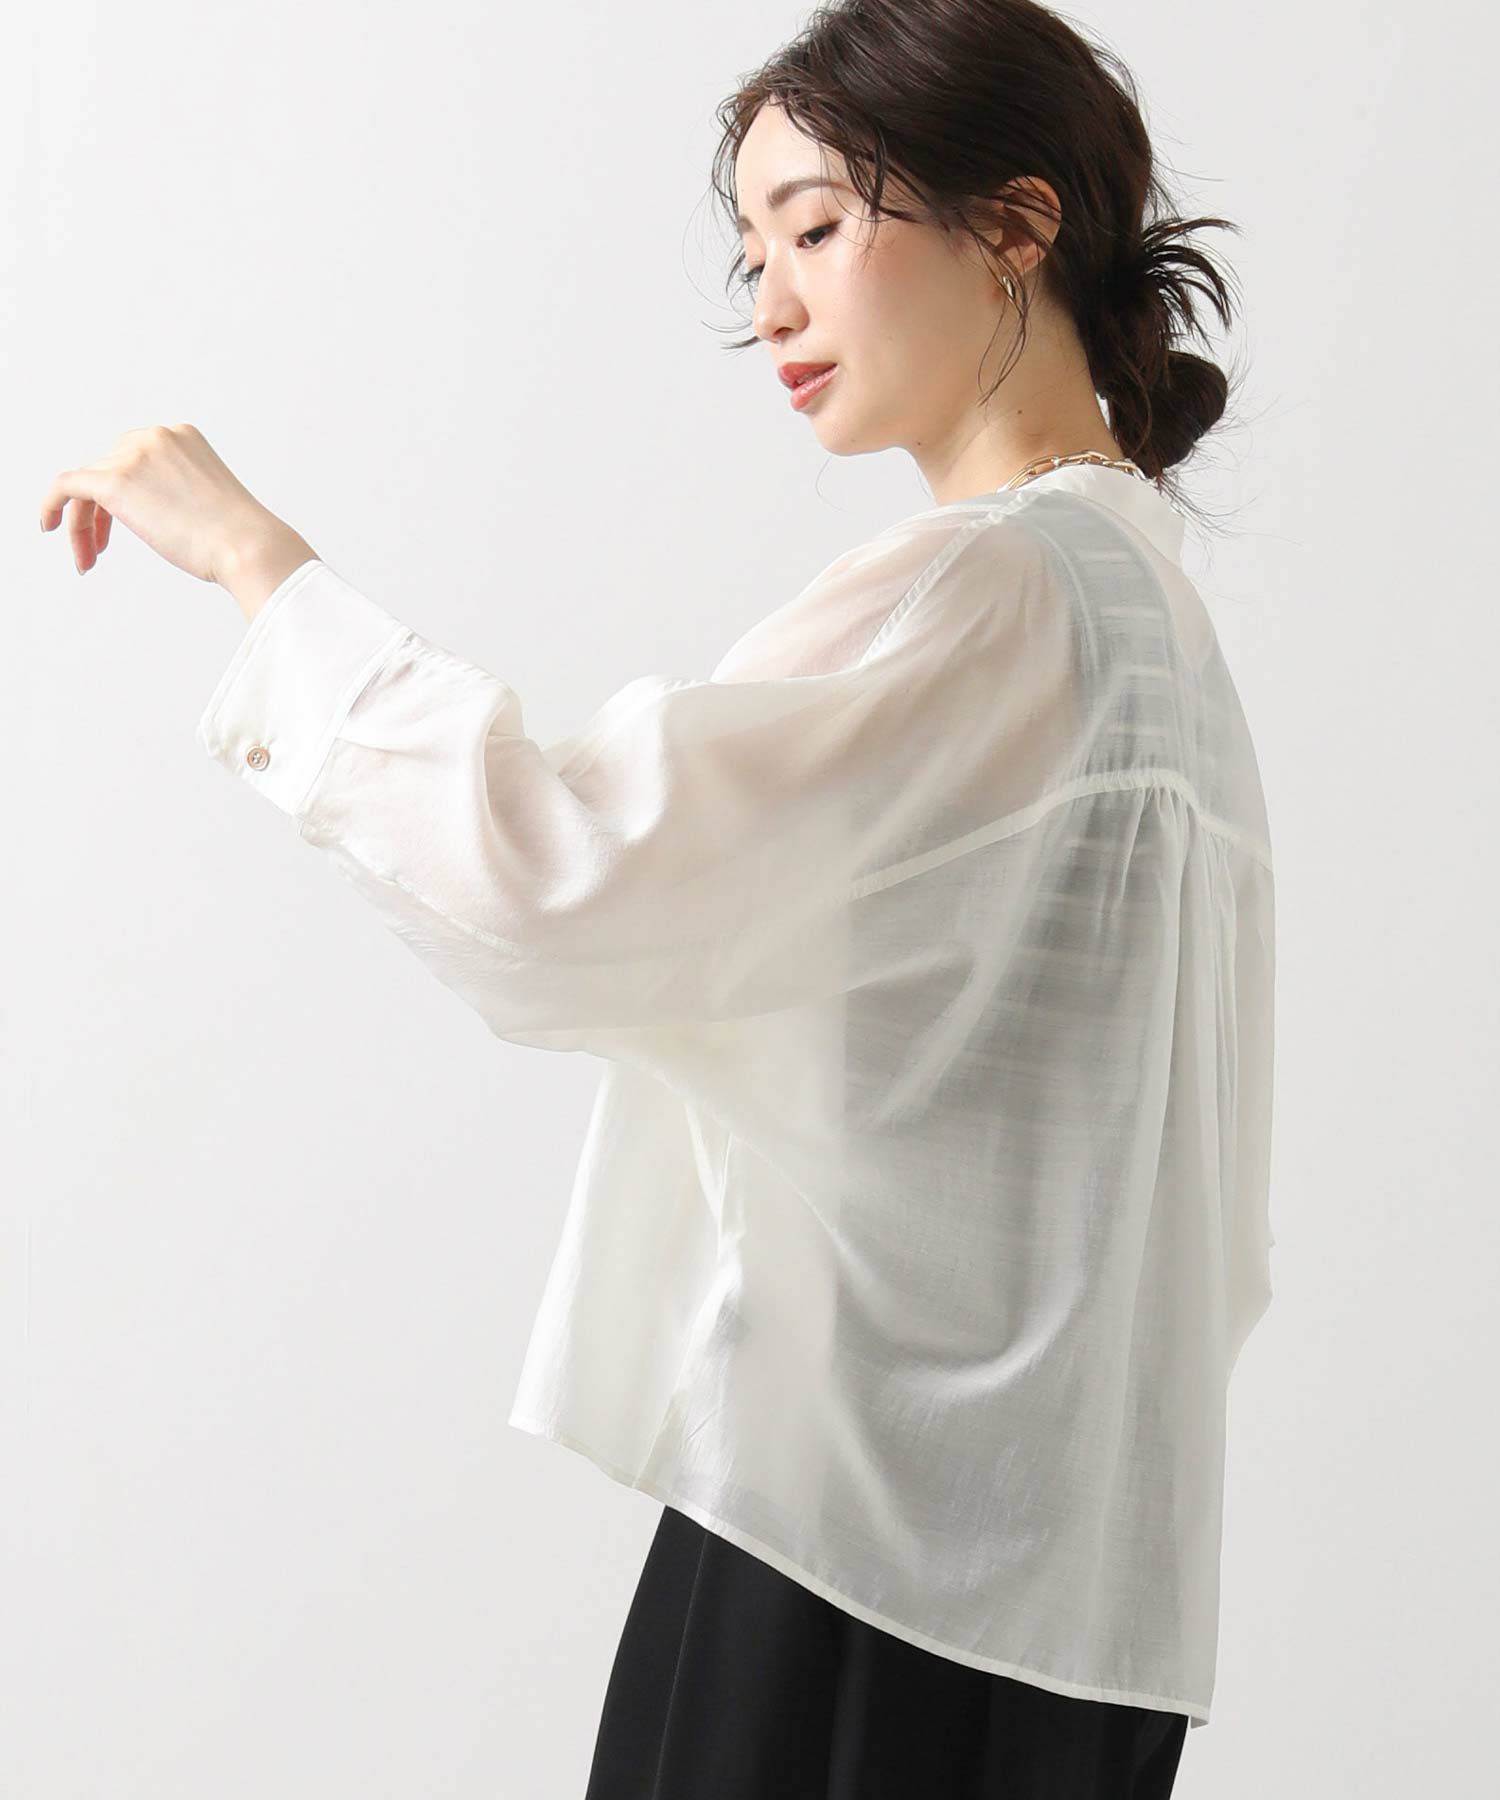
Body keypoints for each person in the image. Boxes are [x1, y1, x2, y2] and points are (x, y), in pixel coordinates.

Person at [39, 4, 1274, 1794]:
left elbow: (564, 878)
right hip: (1057, 1584)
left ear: (1017, 223)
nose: (772, 304)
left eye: (819, 227)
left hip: (864, 1565)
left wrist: (257, 564)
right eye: (754, 253)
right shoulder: (1150, 612)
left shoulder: (993, 592)